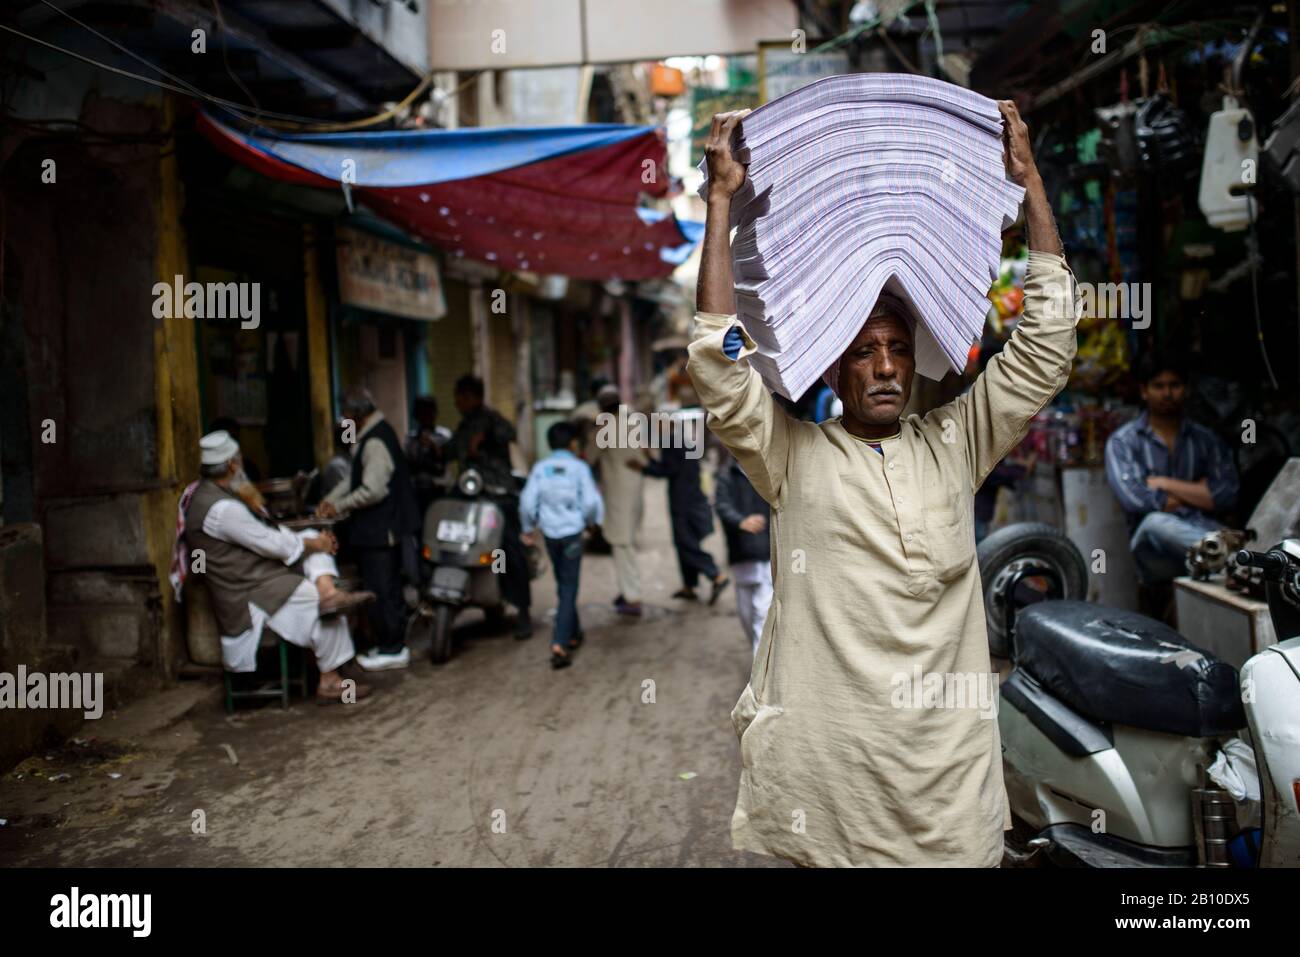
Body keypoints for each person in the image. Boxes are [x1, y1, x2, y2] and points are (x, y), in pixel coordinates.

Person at [692, 102, 1077, 866]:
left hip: (949, 791)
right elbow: (719, 365)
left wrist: (1029, 181)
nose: (887, 365)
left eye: (898, 347)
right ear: (835, 369)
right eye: (864, 350)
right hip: (834, 794)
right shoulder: (793, 455)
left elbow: (1046, 349)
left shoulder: (955, 444)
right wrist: (721, 200)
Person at [181, 431, 373, 704]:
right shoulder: (222, 508)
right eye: (239, 462)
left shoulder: (219, 494)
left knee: (315, 554)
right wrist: (312, 542)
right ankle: (331, 676)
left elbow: (269, 535)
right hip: (245, 591)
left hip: (259, 575)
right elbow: (272, 544)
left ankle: (329, 593)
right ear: (233, 465)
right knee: (313, 592)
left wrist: (311, 541)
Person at [1104, 352, 1239, 587]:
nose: (1167, 394)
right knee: (1157, 522)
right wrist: (1199, 493)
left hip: (1201, 533)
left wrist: (1165, 484)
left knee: (1212, 539)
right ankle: (1234, 560)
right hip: (1153, 549)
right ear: (1144, 391)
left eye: (1174, 385)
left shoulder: (1205, 440)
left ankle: (1217, 556)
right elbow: (1138, 501)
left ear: (1186, 389)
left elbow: (1227, 495)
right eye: (1158, 386)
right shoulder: (1124, 441)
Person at [318, 387, 421, 671]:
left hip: (381, 529)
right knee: (383, 585)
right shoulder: (371, 437)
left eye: (347, 416)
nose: (345, 422)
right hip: (378, 529)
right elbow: (354, 478)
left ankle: (392, 647)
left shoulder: (375, 441)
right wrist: (330, 500)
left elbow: (372, 490)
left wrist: (339, 507)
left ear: (358, 415)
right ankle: (389, 644)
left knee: (383, 588)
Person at [452, 374, 533, 638]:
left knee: (510, 550)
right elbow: (450, 451)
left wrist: (485, 436)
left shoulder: (490, 419)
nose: (458, 402)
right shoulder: (463, 426)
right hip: (471, 501)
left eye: (462, 396)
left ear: (474, 396)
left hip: (498, 498)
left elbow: (509, 432)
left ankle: (523, 612)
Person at [520, 421, 605, 669]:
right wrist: (590, 523)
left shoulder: (540, 468)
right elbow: (590, 502)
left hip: (550, 534)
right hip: (571, 534)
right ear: (572, 443)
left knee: (563, 584)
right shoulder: (578, 468)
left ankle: (574, 632)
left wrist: (527, 528)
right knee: (569, 587)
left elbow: (527, 502)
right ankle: (560, 642)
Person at [631, 409, 730, 605]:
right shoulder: (682, 441)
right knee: (686, 543)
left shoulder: (672, 443)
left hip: (683, 504)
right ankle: (689, 586)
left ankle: (716, 575)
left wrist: (643, 466)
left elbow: (666, 471)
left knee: (686, 545)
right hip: (692, 500)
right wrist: (650, 458)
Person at [587, 384, 646, 616]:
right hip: (635, 489)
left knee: (621, 545)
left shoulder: (603, 427)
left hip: (618, 492)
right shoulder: (633, 421)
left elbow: (591, 456)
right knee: (627, 541)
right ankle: (628, 590)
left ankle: (632, 597)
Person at [714, 451, 773, 656]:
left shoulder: (769, 470)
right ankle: (760, 656)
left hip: (767, 554)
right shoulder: (726, 475)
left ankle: (761, 674)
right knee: (746, 614)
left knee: (762, 613)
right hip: (741, 554)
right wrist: (740, 522)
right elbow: (721, 506)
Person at [405, 395, 453, 515]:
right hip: (417, 491)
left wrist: (433, 446)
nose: (426, 417)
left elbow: (444, 462)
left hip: (439, 489)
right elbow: (408, 463)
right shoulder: (411, 438)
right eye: (422, 413)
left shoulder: (444, 435)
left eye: (429, 413)